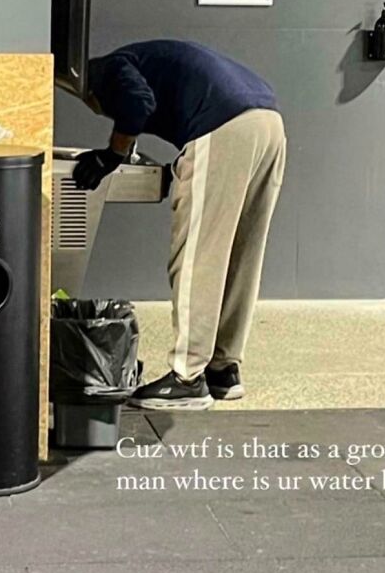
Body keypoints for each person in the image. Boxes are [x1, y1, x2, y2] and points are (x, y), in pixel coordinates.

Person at [73, 39, 286, 411]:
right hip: (268, 123)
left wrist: (113, 153)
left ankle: (186, 378)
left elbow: (136, 104)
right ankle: (223, 368)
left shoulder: (107, 70)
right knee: (241, 254)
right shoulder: (148, 60)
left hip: (223, 124)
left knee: (196, 255)